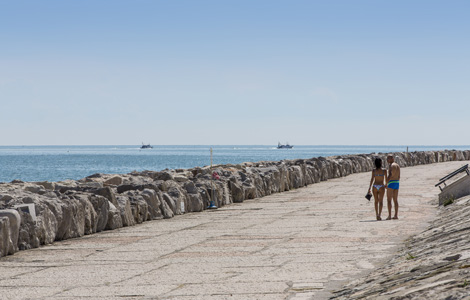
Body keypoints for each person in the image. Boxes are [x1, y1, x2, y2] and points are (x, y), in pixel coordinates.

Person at [386, 155, 400, 220]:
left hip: (391, 182)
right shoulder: (397, 165)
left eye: (388, 158)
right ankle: (396, 215)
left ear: (392, 158)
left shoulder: (391, 165)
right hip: (397, 182)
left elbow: (390, 175)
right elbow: (399, 176)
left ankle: (389, 215)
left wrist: (386, 183)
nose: (387, 160)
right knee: (395, 200)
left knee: (389, 200)